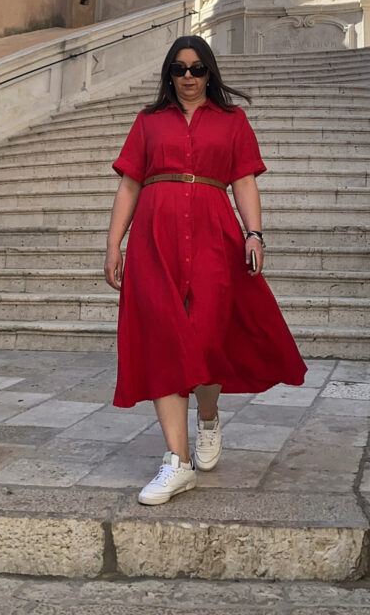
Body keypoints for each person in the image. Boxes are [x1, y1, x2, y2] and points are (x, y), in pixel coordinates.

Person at [104, 34, 307, 505]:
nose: (189, 77)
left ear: (210, 72)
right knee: (164, 339)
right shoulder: (149, 121)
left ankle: (209, 416)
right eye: (179, 69)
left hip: (215, 237)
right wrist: (114, 244)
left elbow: (244, 181)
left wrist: (254, 234)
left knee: (208, 338)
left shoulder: (232, 121)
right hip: (155, 238)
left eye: (197, 68)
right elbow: (130, 185)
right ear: (169, 75)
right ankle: (177, 461)